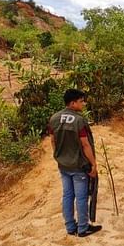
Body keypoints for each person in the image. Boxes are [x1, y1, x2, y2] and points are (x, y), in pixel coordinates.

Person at [48, 89, 102, 238]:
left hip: (63, 165)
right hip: (79, 165)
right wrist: (93, 164)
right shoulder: (79, 120)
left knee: (67, 195)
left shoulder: (54, 118)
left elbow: (53, 140)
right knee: (81, 196)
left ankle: (70, 227)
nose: (83, 104)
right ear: (72, 103)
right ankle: (83, 228)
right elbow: (85, 144)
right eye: (80, 101)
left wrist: (57, 156)